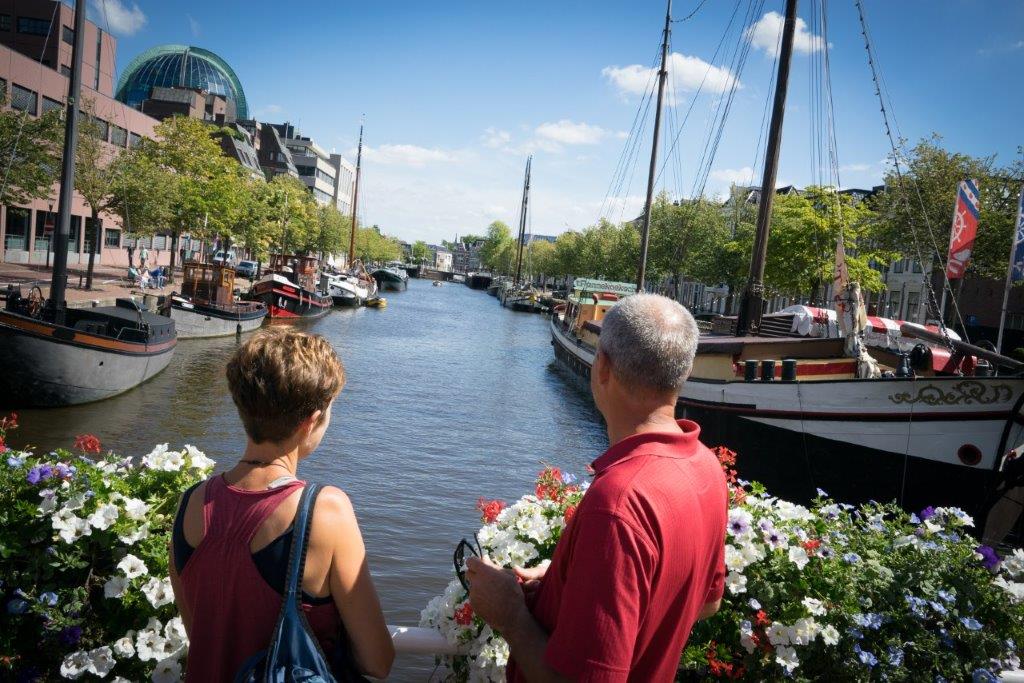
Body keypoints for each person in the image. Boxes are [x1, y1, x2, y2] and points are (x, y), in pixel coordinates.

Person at [467, 294, 727, 682]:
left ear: (601, 366)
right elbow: (709, 602)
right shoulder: (706, 468)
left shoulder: (620, 502)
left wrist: (511, 616)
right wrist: (568, 582)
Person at [168, 329, 394, 681]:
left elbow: (201, 632)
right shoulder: (324, 510)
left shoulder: (191, 504)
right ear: (311, 421)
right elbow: (378, 660)